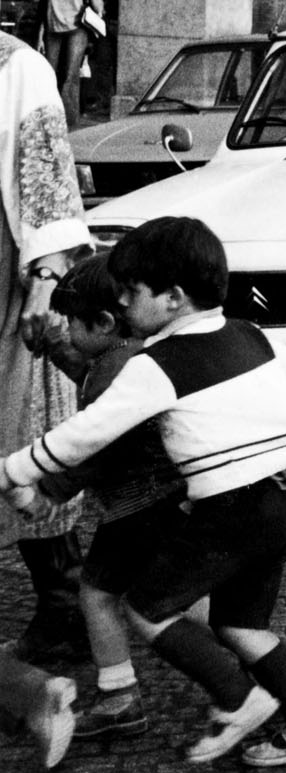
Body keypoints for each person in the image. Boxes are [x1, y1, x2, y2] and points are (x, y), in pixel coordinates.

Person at [0, 216, 286, 765]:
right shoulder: (247, 333)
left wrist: (13, 469)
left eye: (130, 291)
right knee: (243, 625)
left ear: (171, 298)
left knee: (148, 609)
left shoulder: (155, 364)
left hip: (230, 507)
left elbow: (88, 434)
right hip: (279, 501)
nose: (122, 303)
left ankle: (238, 699)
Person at [40, 254, 184, 745]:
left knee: (98, 595)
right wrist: (60, 349)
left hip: (135, 504)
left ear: (102, 322)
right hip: (170, 497)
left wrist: (49, 489)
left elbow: (94, 444)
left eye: (73, 326)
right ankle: (264, 657)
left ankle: (120, 698)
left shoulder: (112, 370)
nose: (69, 334)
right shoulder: (134, 353)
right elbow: (87, 367)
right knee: (187, 593)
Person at [0, 0, 92, 671]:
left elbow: (48, 177)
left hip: (6, 278)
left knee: (26, 434)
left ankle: (65, 607)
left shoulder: (20, 68)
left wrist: (46, 276)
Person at [40, 0, 98, 130]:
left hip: (77, 30)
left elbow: (98, 7)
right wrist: (40, 37)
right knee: (49, 73)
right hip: (53, 30)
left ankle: (69, 121)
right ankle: (48, 116)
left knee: (71, 75)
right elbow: (43, 10)